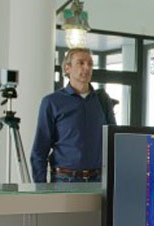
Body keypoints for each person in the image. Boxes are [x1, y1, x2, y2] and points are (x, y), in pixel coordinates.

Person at [30, 48, 116, 183]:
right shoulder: (52, 102)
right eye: (80, 63)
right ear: (67, 68)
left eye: (90, 64)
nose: (87, 67)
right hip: (64, 179)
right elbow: (40, 149)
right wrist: (40, 187)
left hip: (99, 179)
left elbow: (114, 141)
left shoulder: (102, 100)